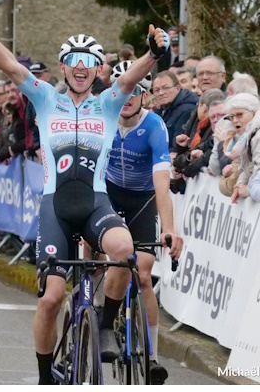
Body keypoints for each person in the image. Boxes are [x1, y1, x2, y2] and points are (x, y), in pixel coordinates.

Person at [0, 4, 177, 384]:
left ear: (98, 69)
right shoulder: (46, 98)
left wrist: (152, 53)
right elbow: (12, 67)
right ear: (63, 68)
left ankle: (107, 322)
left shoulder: (109, 102)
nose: (81, 67)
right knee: (50, 299)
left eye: (89, 61)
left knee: (125, 251)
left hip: (96, 203)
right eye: (73, 61)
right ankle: (46, 377)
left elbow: (129, 79)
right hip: (56, 208)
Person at [103, 61, 184, 383]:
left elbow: (161, 184)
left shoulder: (154, 127)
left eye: (135, 91)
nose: (128, 97)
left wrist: (169, 229)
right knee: (97, 263)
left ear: (144, 95)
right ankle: (93, 320)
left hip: (141, 199)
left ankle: (150, 355)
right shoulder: (103, 121)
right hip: (106, 195)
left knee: (144, 274)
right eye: (123, 90)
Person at [152, 71, 199, 155]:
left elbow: (176, 149)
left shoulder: (186, 110)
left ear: (177, 88)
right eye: (156, 90)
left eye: (166, 88)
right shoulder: (162, 109)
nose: (161, 93)